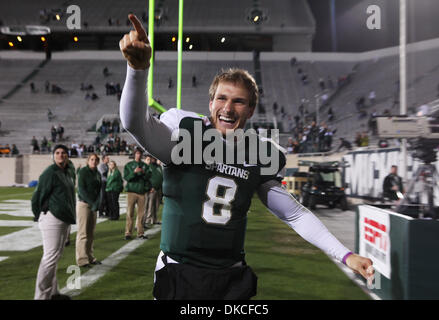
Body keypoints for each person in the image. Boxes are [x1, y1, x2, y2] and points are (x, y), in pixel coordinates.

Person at [119, 14, 374, 300]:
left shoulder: (259, 152)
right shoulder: (184, 131)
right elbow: (135, 124)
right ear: (210, 103)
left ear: (250, 110)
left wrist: (346, 255)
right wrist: (137, 70)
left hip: (231, 277)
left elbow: (294, 214)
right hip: (181, 271)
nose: (228, 108)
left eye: (239, 101)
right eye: (222, 99)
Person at [31, 145, 76, 300]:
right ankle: (41, 296)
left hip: (63, 218)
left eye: (64, 153)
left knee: (55, 256)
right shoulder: (50, 173)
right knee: (50, 257)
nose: (60, 155)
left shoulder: (67, 171)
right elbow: (37, 196)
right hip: (52, 218)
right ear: (53, 155)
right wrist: (39, 214)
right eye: (57, 153)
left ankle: (53, 293)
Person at [75, 153, 102, 268]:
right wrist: (92, 203)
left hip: (93, 206)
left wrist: (97, 203)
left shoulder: (97, 173)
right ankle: (82, 259)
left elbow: (100, 190)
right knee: (83, 233)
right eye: (92, 159)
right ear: (88, 161)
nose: (94, 161)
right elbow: (81, 190)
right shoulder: (83, 172)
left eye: (96, 160)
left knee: (91, 233)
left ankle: (90, 257)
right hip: (84, 205)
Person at [123, 147, 151, 240]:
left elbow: (148, 177)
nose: (138, 155)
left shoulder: (145, 166)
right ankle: (128, 233)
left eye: (140, 154)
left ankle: (140, 233)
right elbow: (126, 177)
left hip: (141, 193)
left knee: (141, 214)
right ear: (134, 154)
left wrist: (142, 173)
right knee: (130, 213)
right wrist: (134, 173)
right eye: (137, 153)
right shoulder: (128, 165)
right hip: (131, 192)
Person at [144, 155, 163, 227]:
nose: (155, 160)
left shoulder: (158, 167)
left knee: (156, 205)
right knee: (150, 205)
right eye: (154, 159)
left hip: (159, 188)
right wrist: (151, 186)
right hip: (152, 188)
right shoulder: (150, 166)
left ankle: (154, 219)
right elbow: (148, 177)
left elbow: (161, 176)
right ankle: (147, 220)